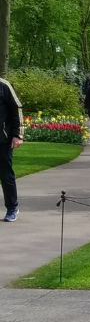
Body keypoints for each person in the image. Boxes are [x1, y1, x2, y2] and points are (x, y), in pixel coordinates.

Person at [0, 74, 23, 223]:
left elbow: (16, 108)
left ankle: (12, 207)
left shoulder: (4, 85)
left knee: (6, 175)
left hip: (3, 139)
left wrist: (17, 135)